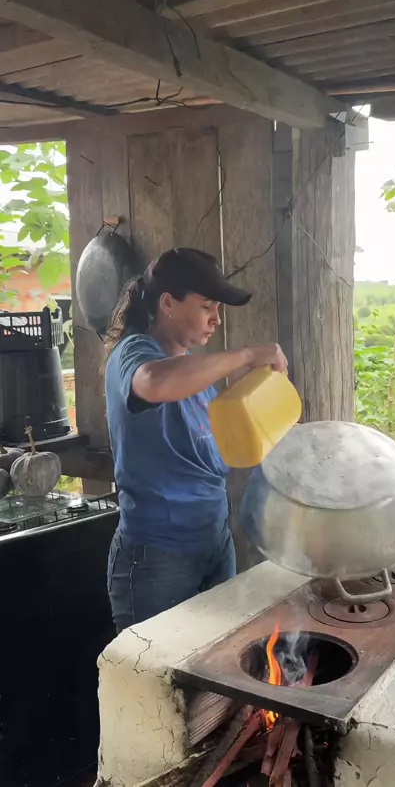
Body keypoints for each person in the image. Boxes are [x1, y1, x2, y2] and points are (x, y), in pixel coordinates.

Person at [104, 247, 287, 633]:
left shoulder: (197, 374)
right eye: (206, 306)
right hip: (157, 556)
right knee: (157, 669)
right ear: (167, 304)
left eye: (217, 308)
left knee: (216, 661)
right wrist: (246, 355)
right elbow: (153, 383)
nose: (216, 319)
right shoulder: (134, 353)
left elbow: (210, 448)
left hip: (214, 541)